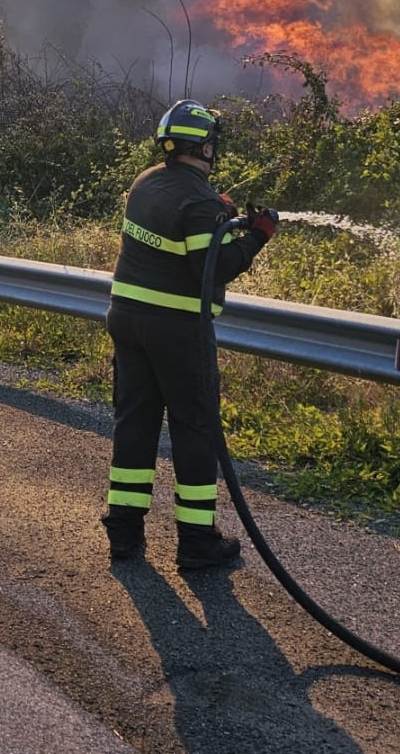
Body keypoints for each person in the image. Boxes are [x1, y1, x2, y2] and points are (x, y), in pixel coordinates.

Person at [101, 99, 277, 569]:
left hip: (127, 319)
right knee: (194, 429)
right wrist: (256, 236)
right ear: (205, 145)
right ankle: (197, 542)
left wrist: (219, 219)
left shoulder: (145, 183)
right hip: (177, 330)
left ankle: (124, 533)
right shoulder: (200, 200)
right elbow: (213, 267)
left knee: (134, 424)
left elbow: (172, 233)